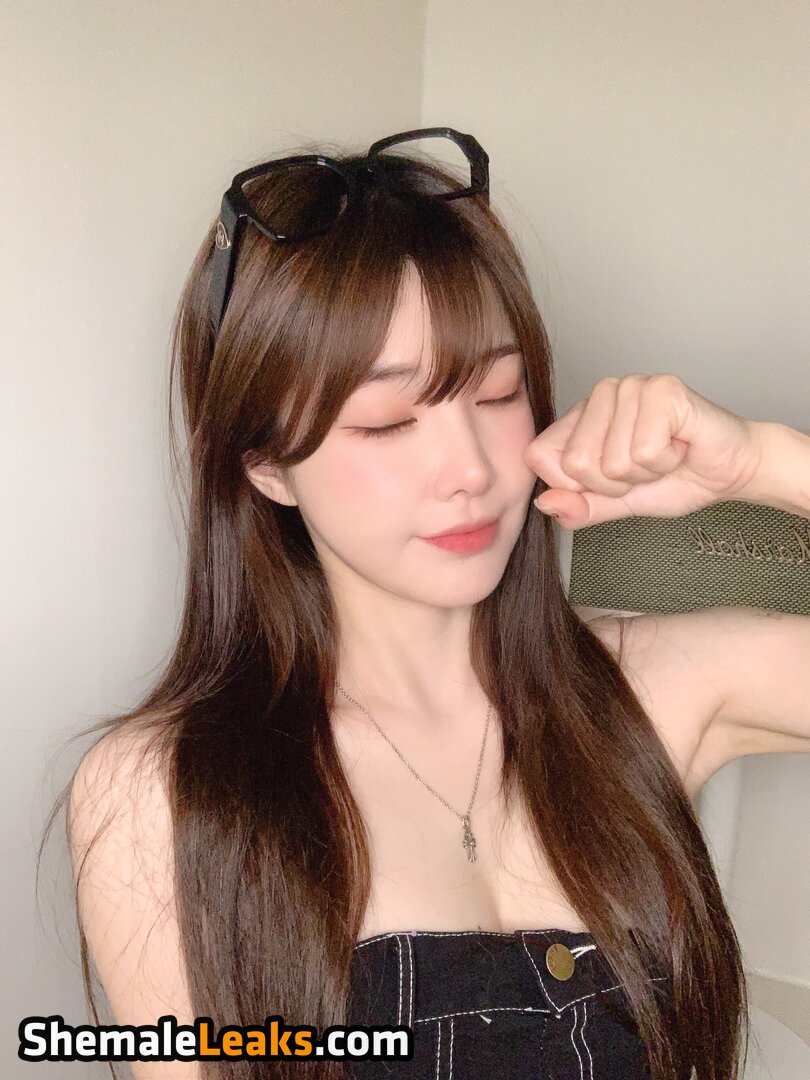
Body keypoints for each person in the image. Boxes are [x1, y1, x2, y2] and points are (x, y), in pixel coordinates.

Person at [52, 127, 782, 1080]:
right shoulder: (166, 791)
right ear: (267, 465)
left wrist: (762, 463)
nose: (469, 470)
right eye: (388, 421)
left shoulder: (657, 688)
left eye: (498, 392)